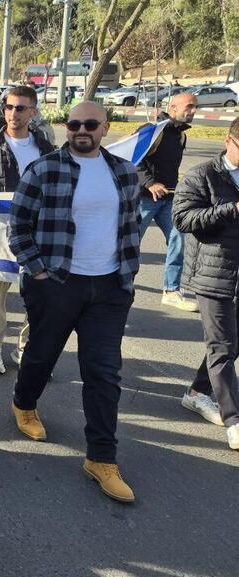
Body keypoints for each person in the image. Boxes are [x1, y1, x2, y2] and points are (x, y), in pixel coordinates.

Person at [9, 101, 141, 503]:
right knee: (42, 354)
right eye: (73, 124)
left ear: (105, 128)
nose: (81, 130)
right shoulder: (45, 169)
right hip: (57, 283)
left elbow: (130, 226)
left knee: (103, 373)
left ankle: (101, 458)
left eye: (90, 124)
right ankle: (24, 403)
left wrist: (127, 275)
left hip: (109, 289)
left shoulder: (124, 173)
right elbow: (18, 227)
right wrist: (39, 272)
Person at [0, 85, 56, 374]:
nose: (13, 113)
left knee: (39, 292)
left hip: (38, 232)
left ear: (33, 111)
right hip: (0, 233)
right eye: (8, 107)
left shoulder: (45, 148)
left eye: (20, 108)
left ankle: (26, 347)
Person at [172, 117, 239, 449]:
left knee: (231, 344)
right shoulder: (203, 175)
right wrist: (230, 210)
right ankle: (234, 419)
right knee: (222, 347)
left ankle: (198, 392)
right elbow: (182, 219)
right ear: (228, 140)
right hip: (213, 275)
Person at [136, 92, 199, 312]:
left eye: (195, 107)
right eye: (189, 106)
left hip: (169, 199)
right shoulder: (152, 131)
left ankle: (171, 291)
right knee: (130, 245)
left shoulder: (181, 136)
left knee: (179, 240)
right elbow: (132, 160)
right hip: (143, 200)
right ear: (172, 107)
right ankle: (119, 285)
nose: (192, 111)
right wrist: (150, 183)